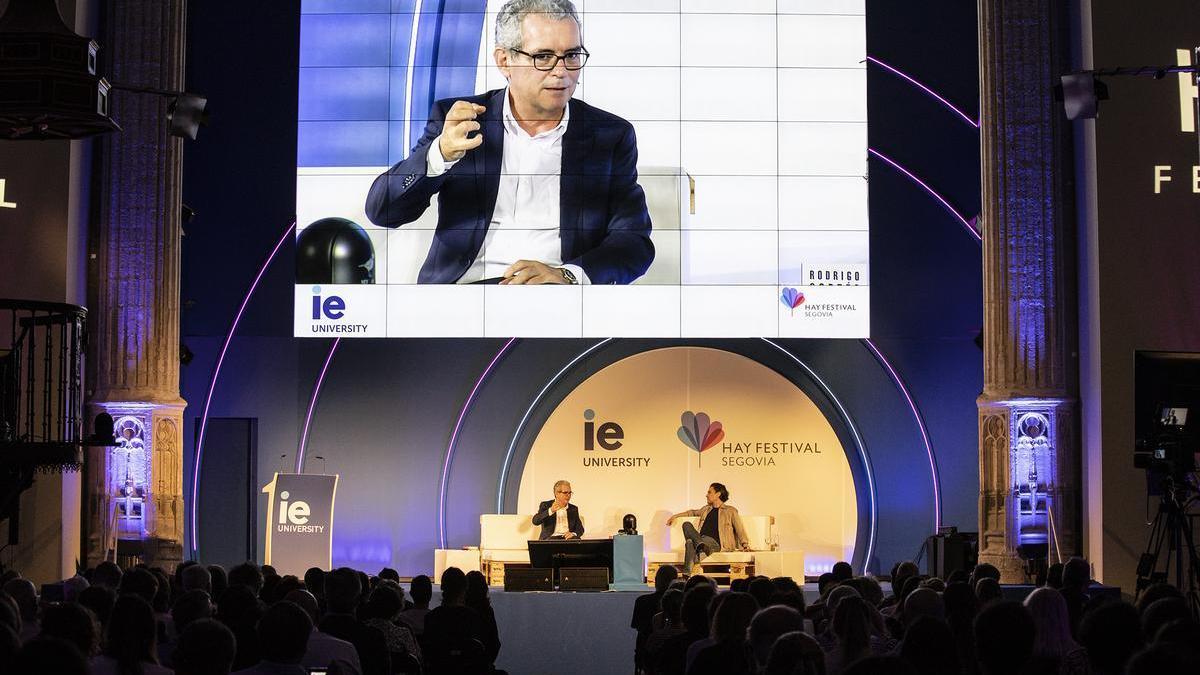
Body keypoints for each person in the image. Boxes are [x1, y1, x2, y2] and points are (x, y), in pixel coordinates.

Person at [364, 0, 654, 286]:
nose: (561, 71)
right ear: (505, 61)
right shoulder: (460, 120)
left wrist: (568, 276)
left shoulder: (609, 135)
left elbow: (634, 241)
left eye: (572, 55)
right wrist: (439, 154)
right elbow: (383, 212)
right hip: (464, 296)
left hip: (557, 298)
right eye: (543, 57)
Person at [666, 483, 751, 573]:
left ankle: (687, 574)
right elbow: (691, 512)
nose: (706, 495)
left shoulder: (730, 511)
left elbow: (739, 529)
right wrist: (675, 516)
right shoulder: (706, 509)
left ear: (718, 494)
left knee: (690, 542)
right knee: (686, 526)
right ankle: (701, 546)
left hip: (716, 543)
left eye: (710, 492)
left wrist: (745, 545)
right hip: (702, 540)